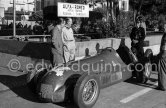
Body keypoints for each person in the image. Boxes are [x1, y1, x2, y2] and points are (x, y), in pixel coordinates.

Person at [157, 23, 166, 91]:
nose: (164, 28)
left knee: (162, 69)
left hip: (164, 53)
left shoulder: (165, 35)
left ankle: (163, 86)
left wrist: (161, 53)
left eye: (165, 27)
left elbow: (164, 46)